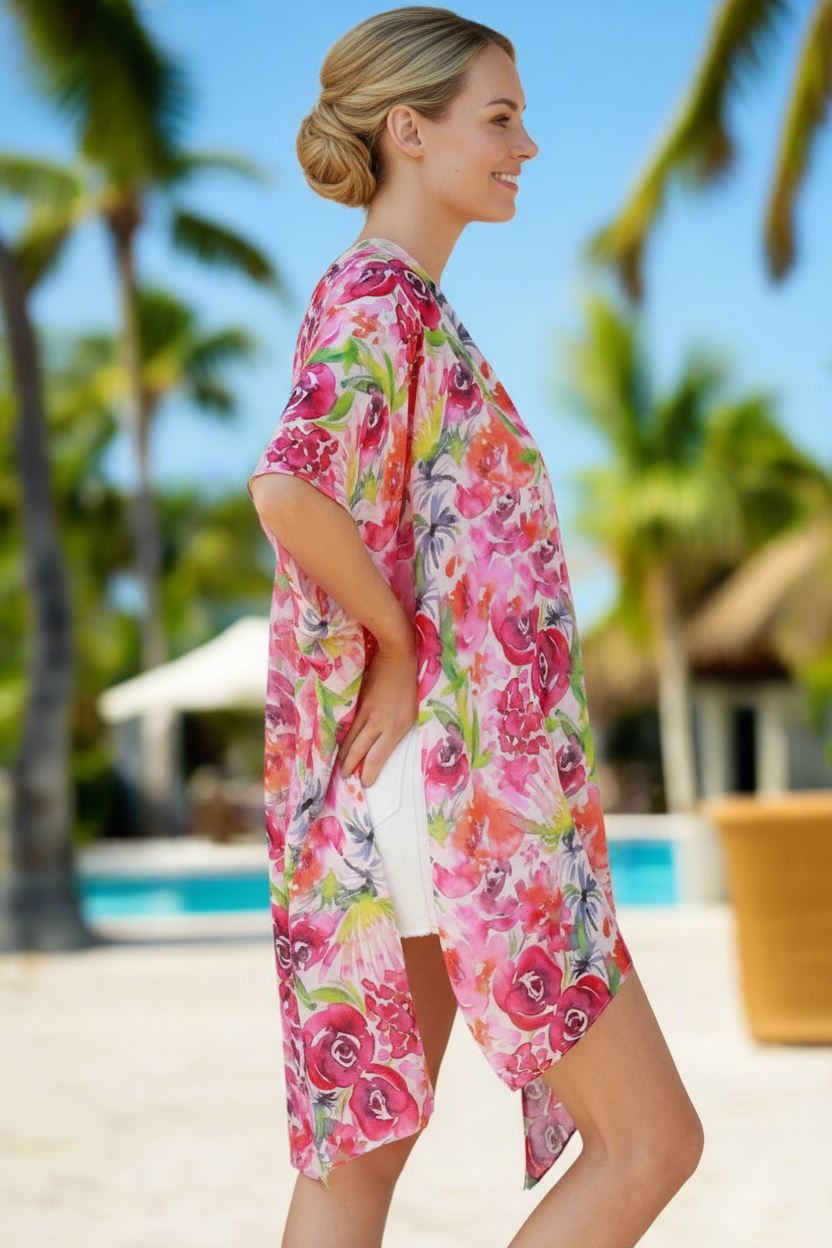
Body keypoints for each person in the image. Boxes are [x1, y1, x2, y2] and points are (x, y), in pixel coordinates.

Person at [248, 8, 704, 1248]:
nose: (526, 146)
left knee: (361, 1159)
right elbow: (288, 486)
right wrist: (397, 646)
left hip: (418, 785)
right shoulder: (379, 303)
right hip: (457, 790)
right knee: (650, 1142)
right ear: (409, 131)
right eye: (499, 118)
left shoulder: (393, 303)